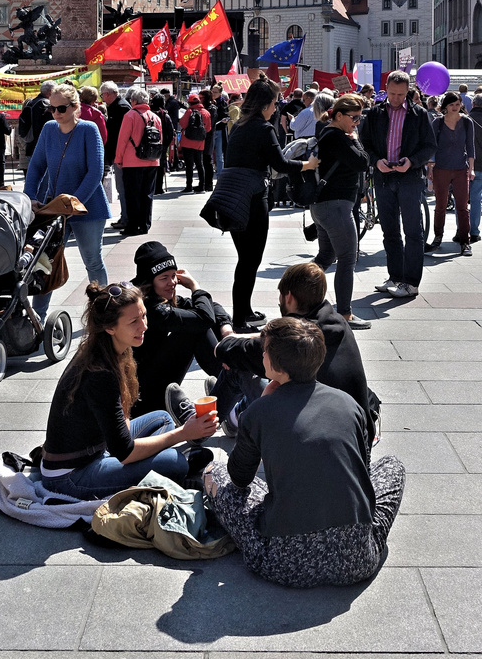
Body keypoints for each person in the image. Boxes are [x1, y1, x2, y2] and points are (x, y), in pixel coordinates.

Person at [203, 318, 405, 588]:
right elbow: (362, 473)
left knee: (213, 472)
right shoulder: (350, 404)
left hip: (282, 563)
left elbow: (239, 479)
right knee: (392, 466)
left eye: (264, 350)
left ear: (274, 365)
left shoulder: (258, 412)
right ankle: (358, 537)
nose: (261, 354)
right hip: (356, 560)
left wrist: (262, 411)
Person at [38, 281, 217, 499]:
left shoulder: (110, 348)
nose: (144, 326)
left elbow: (121, 430)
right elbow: (124, 452)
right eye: (134, 321)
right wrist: (183, 434)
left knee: (161, 419)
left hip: (99, 448)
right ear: (110, 327)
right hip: (69, 476)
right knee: (176, 463)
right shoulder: (99, 372)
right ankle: (169, 469)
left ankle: (156, 467)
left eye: (144, 315)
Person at [168, 261, 377, 443]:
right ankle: (234, 416)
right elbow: (266, 338)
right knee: (267, 372)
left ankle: (199, 428)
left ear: (288, 297)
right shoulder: (336, 322)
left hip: (307, 434)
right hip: (356, 435)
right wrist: (244, 339)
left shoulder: (288, 343)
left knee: (237, 368)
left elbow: (223, 350)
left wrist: (229, 334)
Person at [224, 75, 318, 331]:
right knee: (249, 261)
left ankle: (243, 311)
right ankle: (240, 319)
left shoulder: (240, 126)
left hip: (233, 200)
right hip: (253, 200)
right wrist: (307, 164)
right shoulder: (263, 129)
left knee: (245, 259)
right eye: (275, 103)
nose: (277, 108)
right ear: (265, 104)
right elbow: (281, 164)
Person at [25, 82, 110, 320]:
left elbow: (95, 172)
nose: (55, 114)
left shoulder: (89, 129)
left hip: (88, 208)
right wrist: (31, 196)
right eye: (51, 109)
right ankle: (38, 318)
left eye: (61, 109)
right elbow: (37, 166)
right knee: (45, 260)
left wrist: (74, 202)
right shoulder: (49, 129)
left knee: (92, 260)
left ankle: (103, 311)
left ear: (76, 107)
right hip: (54, 208)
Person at [130, 240, 232, 416]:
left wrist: (226, 329)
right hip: (142, 399)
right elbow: (204, 317)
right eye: (164, 278)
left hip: (149, 380)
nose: (172, 282)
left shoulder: (157, 297)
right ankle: (231, 385)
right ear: (149, 281)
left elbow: (211, 307)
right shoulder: (150, 308)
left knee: (197, 320)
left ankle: (229, 385)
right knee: (195, 329)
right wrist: (195, 287)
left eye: (173, 275)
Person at [362, 70, 436, 299]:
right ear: (386, 88)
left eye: (401, 95)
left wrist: (412, 162)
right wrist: (376, 161)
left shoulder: (419, 114)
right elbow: (364, 143)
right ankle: (395, 276)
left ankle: (411, 282)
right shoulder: (375, 113)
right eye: (393, 94)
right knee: (390, 231)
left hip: (409, 177)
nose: (396, 99)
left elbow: (430, 146)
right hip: (384, 177)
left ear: (408, 91)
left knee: (413, 231)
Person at [311, 94, 371, 328]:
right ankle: (344, 314)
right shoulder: (337, 137)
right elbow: (363, 162)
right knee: (347, 258)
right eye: (354, 117)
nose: (357, 121)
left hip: (326, 206)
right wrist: (354, 139)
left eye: (360, 117)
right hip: (335, 206)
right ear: (338, 115)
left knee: (325, 257)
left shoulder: (329, 133)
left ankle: (296, 293)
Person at [426, 91, 475, 256]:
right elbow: (431, 146)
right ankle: (437, 237)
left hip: (461, 168)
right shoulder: (437, 123)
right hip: (441, 168)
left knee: (462, 207)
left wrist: (472, 168)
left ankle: (465, 241)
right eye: (452, 104)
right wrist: (430, 168)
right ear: (445, 106)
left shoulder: (467, 122)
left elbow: (470, 147)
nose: (455, 107)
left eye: (458, 104)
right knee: (440, 206)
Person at [115, 88, 162, 237]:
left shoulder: (130, 116)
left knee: (132, 194)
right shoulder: (156, 117)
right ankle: (145, 224)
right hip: (152, 160)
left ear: (134, 101)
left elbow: (122, 139)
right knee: (147, 194)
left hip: (132, 161)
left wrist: (118, 159)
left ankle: (133, 226)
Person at [100, 81, 131, 231]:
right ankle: (125, 216)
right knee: (123, 188)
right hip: (120, 154)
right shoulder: (118, 106)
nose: (102, 98)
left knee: (123, 188)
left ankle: (126, 218)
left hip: (122, 155)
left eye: (103, 95)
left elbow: (119, 136)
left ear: (108, 94)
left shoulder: (121, 108)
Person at [17, 80, 55, 172]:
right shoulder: (46, 105)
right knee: (44, 182)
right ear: (50, 92)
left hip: (31, 146)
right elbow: (51, 128)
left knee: (35, 179)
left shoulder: (31, 103)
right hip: (43, 148)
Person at [179, 93, 211, 193]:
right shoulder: (206, 112)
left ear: (190, 103)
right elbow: (208, 128)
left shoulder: (189, 111)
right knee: (199, 164)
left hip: (187, 141)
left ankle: (189, 186)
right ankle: (202, 186)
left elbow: (182, 124)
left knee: (189, 165)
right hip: (199, 142)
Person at [150, 93, 174, 195]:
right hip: (162, 144)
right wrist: (166, 144)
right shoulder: (165, 115)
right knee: (161, 166)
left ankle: (152, 187)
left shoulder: (150, 114)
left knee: (151, 166)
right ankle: (159, 188)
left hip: (150, 143)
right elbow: (170, 132)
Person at [469, 94, 482, 245]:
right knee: (476, 199)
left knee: (460, 200)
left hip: (465, 165)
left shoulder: (465, 120)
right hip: (480, 166)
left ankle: (461, 230)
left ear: (473, 104)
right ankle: (474, 231)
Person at [199, 89, 218, 191]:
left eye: (201, 98)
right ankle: (203, 182)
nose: (200, 100)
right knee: (202, 160)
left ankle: (209, 184)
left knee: (207, 159)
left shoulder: (212, 108)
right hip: (202, 136)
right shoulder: (203, 108)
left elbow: (211, 123)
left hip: (209, 136)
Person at [211, 84, 229, 176]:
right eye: (212, 91)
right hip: (210, 130)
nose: (213, 94)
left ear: (220, 93)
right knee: (209, 154)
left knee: (219, 154)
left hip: (219, 130)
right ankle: (209, 175)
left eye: (215, 92)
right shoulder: (209, 102)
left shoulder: (223, 103)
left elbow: (227, 115)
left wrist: (226, 119)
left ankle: (220, 175)